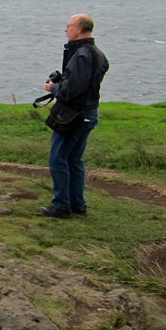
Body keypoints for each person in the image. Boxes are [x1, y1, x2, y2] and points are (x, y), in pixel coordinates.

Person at [41, 14, 109, 218]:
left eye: (68, 26)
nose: (65, 30)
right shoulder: (98, 54)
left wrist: (54, 87)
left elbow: (72, 91)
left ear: (79, 29)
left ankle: (61, 206)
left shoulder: (80, 55)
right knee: (74, 159)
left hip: (74, 116)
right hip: (89, 112)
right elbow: (87, 83)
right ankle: (77, 204)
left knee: (58, 159)